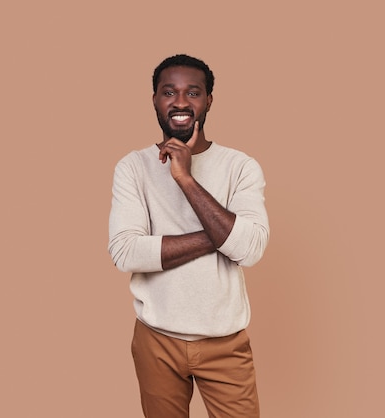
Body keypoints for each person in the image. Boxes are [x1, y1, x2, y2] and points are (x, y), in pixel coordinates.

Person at [108, 53, 270, 418]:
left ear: (208, 100)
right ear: (155, 99)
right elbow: (126, 252)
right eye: (169, 92)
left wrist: (185, 178)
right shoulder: (133, 167)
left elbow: (251, 250)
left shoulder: (240, 166)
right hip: (156, 339)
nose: (180, 102)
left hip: (224, 343)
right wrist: (221, 236)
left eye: (192, 93)